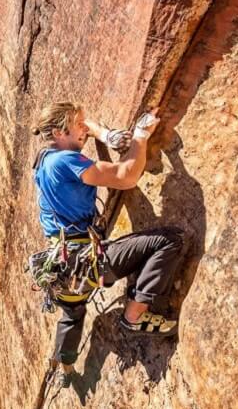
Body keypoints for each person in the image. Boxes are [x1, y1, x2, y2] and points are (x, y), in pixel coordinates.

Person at [31, 102, 185, 388]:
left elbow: (87, 127)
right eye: (77, 126)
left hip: (62, 267)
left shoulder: (44, 159)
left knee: (73, 312)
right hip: (86, 261)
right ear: (58, 132)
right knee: (169, 241)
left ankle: (64, 363)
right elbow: (124, 177)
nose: (84, 131)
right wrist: (139, 136)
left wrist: (106, 135)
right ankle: (134, 316)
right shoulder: (66, 161)